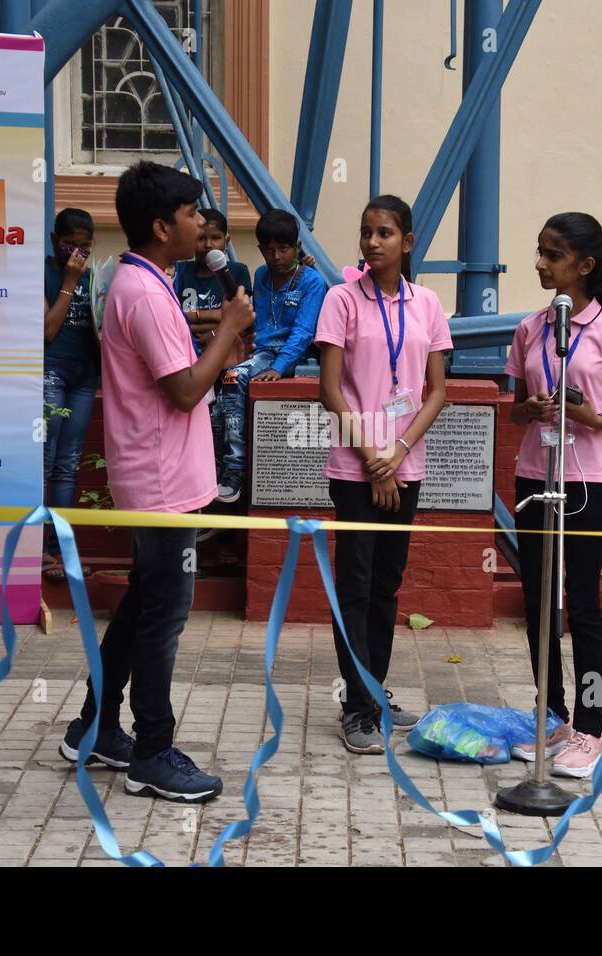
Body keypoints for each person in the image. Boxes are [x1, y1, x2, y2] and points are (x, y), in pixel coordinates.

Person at [58, 162, 253, 803]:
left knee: (143, 604)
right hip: (165, 484)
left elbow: (164, 352)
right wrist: (225, 332)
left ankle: (94, 724)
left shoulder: (145, 280)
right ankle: (152, 752)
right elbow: (182, 389)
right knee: (163, 619)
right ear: (162, 225)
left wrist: (207, 332)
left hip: (162, 478)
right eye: (193, 214)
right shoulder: (143, 292)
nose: (203, 224)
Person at [504, 212, 602, 778]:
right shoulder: (530, 328)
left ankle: (590, 728)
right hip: (535, 476)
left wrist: (597, 417)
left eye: (553, 254)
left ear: (584, 266)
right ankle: (552, 716)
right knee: (539, 603)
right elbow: (514, 407)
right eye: (538, 251)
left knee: (582, 604)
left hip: (586, 482)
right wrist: (533, 409)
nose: (540, 263)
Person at [315, 195, 452, 755]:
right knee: (355, 584)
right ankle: (355, 706)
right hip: (354, 466)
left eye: (386, 233)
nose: (373, 242)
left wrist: (396, 453)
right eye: (367, 232)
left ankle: (373, 690)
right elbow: (330, 391)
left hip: (406, 461)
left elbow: (435, 390)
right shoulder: (341, 299)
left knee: (387, 585)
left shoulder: (428, 303)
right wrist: (375, 458)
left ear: (408, 242)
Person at [214, 209, 327, 504]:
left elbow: (303, 332)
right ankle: (215, 467)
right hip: (260, 352)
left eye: (283, 248)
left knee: (234, 377)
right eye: (268, 249)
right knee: (216, 407)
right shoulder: (262, 275)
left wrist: (278, 367)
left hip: (293, 356)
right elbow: (262, 326)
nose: (275, 256)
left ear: (297, 248)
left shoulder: (312, 281)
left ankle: (234, 469)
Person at [173, 208, 253, 472]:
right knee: (196, 425)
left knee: (226, 424)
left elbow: (241, 317)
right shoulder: (181, 271)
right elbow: (174, 317)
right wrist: (218, 319)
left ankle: (225, 476)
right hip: (189, 365)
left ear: (226, 241)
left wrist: (206, 322)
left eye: (215, 238)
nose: (208, 245)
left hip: (225, 365)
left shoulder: (237, 272)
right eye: (202, 238)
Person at [42, 209, 99, 579]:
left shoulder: (93, 277)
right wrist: (69, 280)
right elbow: (47, 330)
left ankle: (58, 550)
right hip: (51, 371)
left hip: (84, 376)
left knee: (68, 465)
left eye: (84, 248)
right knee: (44, 462)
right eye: (69, 245)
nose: (76, 254)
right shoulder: (43, 273)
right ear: (53, 241)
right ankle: (34, 548)